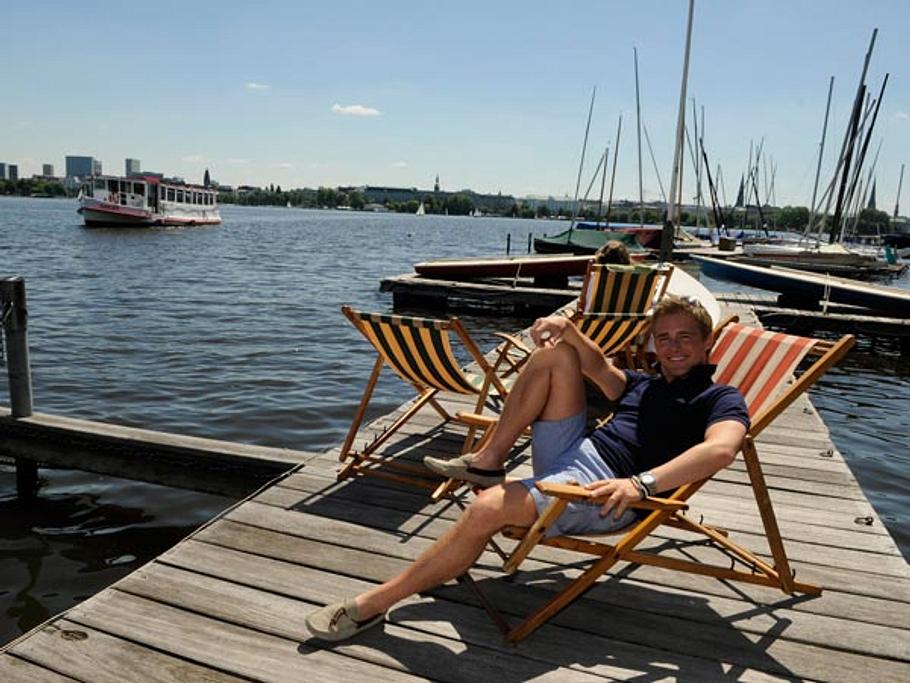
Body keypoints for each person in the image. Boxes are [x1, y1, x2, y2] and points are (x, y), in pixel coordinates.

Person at [306, 295, 749, 641]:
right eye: (664, 337)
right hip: (574, 454)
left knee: (485, 510)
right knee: (556, 357)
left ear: (707, 343)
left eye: (685, 337)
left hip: (604, 491)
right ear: (653, 343)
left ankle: (374, 604)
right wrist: (566, 328)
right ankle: (489, 460)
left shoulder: (719, 398)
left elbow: (721, 450)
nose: (673, 347)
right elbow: (594, 363)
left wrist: (640, 484)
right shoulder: (645, 386)